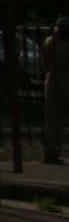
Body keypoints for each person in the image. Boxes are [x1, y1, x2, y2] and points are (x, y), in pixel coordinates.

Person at [44, 17, 67, 167]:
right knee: (55, 118)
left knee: (55, 118)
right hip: (58, 82)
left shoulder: (51, 42)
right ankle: (52, 150)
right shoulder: (54, 43)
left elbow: (47, 62)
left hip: (55, 82)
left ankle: (53, 150)